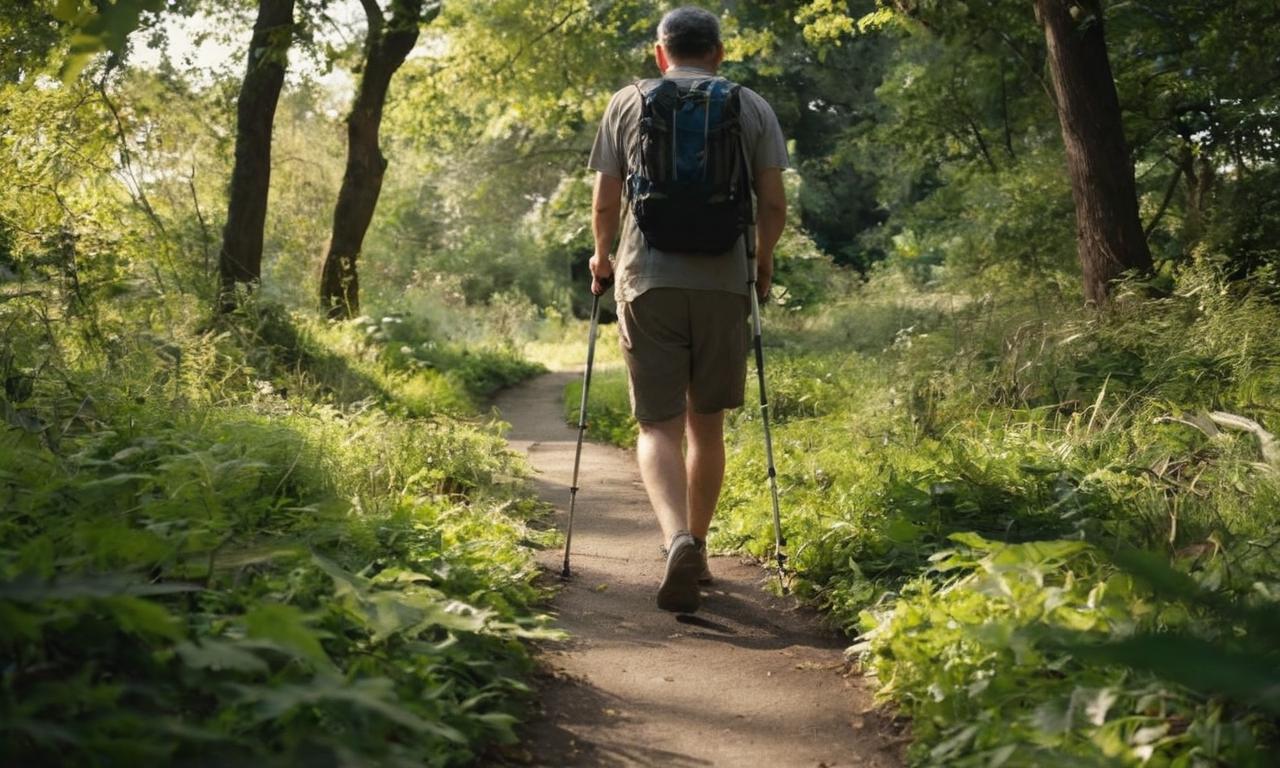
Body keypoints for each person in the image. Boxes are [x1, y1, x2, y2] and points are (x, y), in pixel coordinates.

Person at [586, 6, 789, 613]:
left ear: (660, 53)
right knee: (708, 423)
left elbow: (605, 201)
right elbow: (773, 203)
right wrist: (763, 263)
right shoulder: (750, 106)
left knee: (657, 425)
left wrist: (601, 258)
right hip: (725, 283)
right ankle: (698, 541)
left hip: (647, 283)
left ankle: (674, 537)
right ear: (719, 53)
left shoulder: (629, 102)